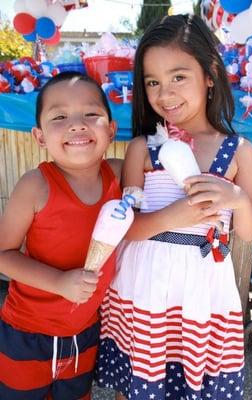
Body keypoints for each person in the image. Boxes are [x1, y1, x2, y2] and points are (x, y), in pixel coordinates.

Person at [96, 14, 252, 400]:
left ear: (210, 75)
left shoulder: (240, 152)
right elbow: (127, 226)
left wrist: (235, 198)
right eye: (152, 82)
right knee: (141, 384)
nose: (164, 93)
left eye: (178, 77)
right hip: (146, 286)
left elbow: (250, 231)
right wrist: (177, 215)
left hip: (203, 290)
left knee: (196, 383)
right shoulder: (142, 149)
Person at [0, 71, 122, 399]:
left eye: (91, 114)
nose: (77, 124)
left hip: (84, 332)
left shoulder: (120, 173)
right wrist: (58, 283)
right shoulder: (35, 185)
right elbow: (3, 255)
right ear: (39, 136)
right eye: (60, 116)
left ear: (111, 130)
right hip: (26, 332)